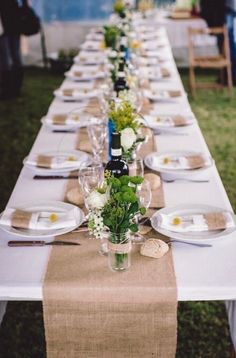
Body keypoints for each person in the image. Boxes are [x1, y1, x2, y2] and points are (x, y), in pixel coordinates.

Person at [0, 0, 26, 99]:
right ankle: (14, 89)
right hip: (13, 23)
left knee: (6, 58)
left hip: (6, 24)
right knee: (14, 56)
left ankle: (8, 90)